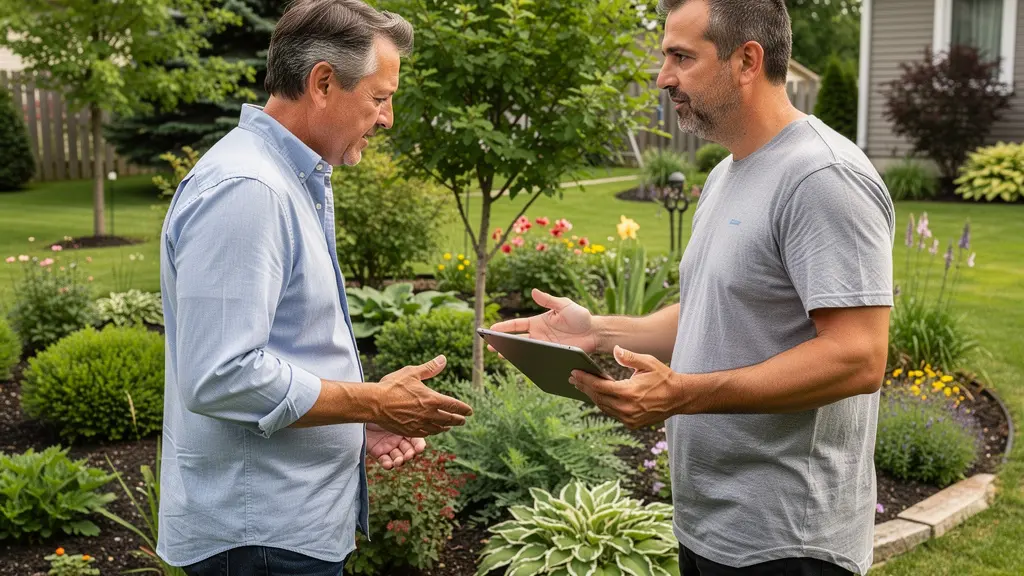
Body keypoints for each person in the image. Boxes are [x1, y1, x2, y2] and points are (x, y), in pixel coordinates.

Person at [489, 0, 894, 574]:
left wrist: (685, 394)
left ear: (747, 61)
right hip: (710, 526)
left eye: (681, 57)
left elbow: (858, 357)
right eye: (665, 57)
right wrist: (597, 332)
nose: (663, 78)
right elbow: (715, 310)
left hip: (789, 539)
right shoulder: (728, 172)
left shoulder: (823, 177)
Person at [157, 1, 473, 574]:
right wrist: (373, 400)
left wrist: (352, 418)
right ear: (323, 82)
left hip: (278, 531)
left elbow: (282, 350)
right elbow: (221, 375)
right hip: (259, 539)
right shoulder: (249, 189)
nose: (388, 119)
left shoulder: (282, 176)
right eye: (380, 97)